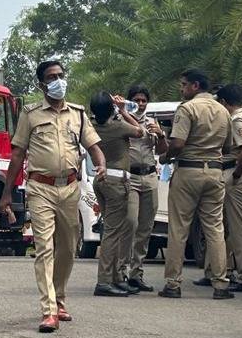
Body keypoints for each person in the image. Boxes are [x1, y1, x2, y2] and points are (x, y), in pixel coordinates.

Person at [0, 59, 106, 333]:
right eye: (52, 77)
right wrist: (7, 193)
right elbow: (17, 154)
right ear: (42, 83)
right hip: (40, 188)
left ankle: (59, 297)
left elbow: (93, 145)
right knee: (44, 247)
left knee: (68, 248)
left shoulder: (78, 114)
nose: (58, 80)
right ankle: (48, 311)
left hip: (70, 188)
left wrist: (101, 163)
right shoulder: (31, 114)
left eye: (60, 75)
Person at [159, 69, 233, 300]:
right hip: (215, 172)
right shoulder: (224, 110)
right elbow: (229, 147)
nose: (181, 89)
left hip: (189, 172)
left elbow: (178, 143)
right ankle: (221, 284)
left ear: (195, 86)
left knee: (179, 228)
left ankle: (173, 283)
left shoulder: (187, 108)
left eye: (184, 85)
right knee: (215, 229)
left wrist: (165, 157)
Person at [89, 92, 149, 297]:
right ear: (111, 109)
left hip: (101, 179)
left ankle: (115, 277)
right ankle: (105, 281)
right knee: (113, 232)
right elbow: (140, 131)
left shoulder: (92, 126)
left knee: (113, 229)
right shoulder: (118, 126)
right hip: (117, 181)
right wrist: (123, 110)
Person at [123, 85, 167, 291]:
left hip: (149, 175)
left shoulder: (152, 122)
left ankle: (136, 273)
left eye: (143, 100)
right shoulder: (121, 120)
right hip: (130, 176)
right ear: (130, 101)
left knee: (146, 227)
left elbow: (162, 151)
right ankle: (121, 271)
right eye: (137, 100)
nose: (140, 104)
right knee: (130, 223)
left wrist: (162, 135)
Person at [217, 84, 242, 292]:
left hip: (236, 172)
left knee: (240, 228)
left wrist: (236, 175)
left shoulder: (236, 120)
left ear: (224, 102)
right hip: (240, 172)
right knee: (231, 226)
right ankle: (229, 269)